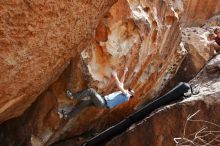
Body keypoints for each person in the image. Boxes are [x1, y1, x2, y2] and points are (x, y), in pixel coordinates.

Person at [63, 67, 135, 118]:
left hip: (103, 102)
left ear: (130, 94)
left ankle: (73, 96)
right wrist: (125, 72)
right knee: (83, 103)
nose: (127, 90)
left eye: (129, 91)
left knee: (91, 91)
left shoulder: (126, 96)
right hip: (102, 101)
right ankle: (68, 115)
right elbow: (121, 83)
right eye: (128, 89)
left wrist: (115, 76)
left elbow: (120, 86)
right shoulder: (125, 94)